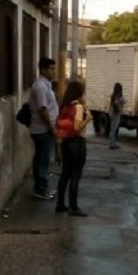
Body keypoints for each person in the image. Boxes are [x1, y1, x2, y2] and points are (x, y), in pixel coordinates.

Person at [55, 81, 92, 217]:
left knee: (65, 174)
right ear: (79, 92)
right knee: (75, 175)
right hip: (77, 143)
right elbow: (77, 128)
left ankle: (60, 204)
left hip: (66, 143)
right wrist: (88, 119)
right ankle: (73, 207)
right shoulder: (78, 107)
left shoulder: (65, 105)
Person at [29, 58, 59, 200]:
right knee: (42, 160)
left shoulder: (46, 85)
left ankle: (42, 188)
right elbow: (43, 110)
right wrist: (51, 128)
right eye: (51, 69)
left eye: (54, 68)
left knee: (43, 159)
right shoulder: (40, 86)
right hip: (42, 130)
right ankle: (40, 190)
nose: (54, 71)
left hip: (44, 129)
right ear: (43, 70)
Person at [109, 83, 126, 150]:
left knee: (112, 129)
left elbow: (113, 103)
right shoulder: (118, 96)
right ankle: (112, 144)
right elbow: (118, 102)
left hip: (112, 113)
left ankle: (112, 143)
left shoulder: (113, 95)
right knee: (114, 129)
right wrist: (122, 103)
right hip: (116, 113)